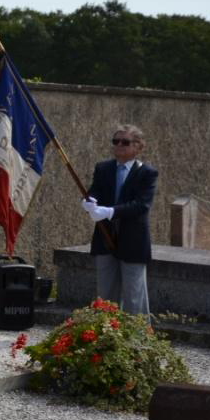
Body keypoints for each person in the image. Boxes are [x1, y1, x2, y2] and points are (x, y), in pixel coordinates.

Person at [81, 124, 158, 315]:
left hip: (133, 240)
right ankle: (107, 331)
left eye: (125, 142)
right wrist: (89, 201)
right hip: (105, 237)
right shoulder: (103, 168)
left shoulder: (147, 173)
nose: (119, 145)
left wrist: (109, 211)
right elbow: (95, 190)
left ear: (138, 146)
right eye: (116, 141)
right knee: (105, 295)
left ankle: (137, 333)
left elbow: (141, 205)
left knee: (134, 297)